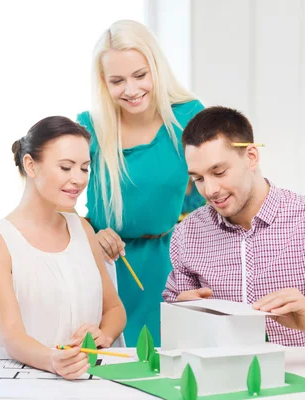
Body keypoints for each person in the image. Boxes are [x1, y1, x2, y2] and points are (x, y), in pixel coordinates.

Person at [162, 107, 305, 348]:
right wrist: (183, 309)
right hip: (220, 379)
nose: (210, 190)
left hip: (301, 378)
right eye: (198, 179)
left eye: (219, 172)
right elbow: (176, 323)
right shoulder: (188, 233)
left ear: (251, 157)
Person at [76, 20, 205, 346]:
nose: (131, 90)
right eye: (117, 80)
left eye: (140, 75)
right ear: (104, 83)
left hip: (166, 266)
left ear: (156, 69)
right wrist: (92, 233)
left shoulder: (188, 117)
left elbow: (210, 194)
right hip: (103, 267)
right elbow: (57, 203)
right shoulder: (89, 126)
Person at [0, 116, 126, 379]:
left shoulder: (83, 230)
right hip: (27, 384)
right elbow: (12, 336)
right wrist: (54, 360)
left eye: (84, 168)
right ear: (30, 165)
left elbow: (114, 309)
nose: (78, 179)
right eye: (66, 167)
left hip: (88, 382)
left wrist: (104, 334)